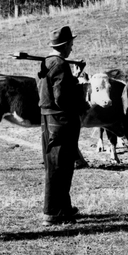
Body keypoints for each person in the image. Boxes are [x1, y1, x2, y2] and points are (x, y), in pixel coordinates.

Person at [37, 25, 89, 224]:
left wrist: (73, 77)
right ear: (65, 45)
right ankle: (52, 213)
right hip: (61, 120)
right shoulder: (59, 65)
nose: (72, 49)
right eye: (71, 44)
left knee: (59, 165)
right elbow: (61, 98)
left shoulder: (46, 62)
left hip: (48, 120)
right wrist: (80, 86)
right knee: (60, 166)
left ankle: (63, 208)